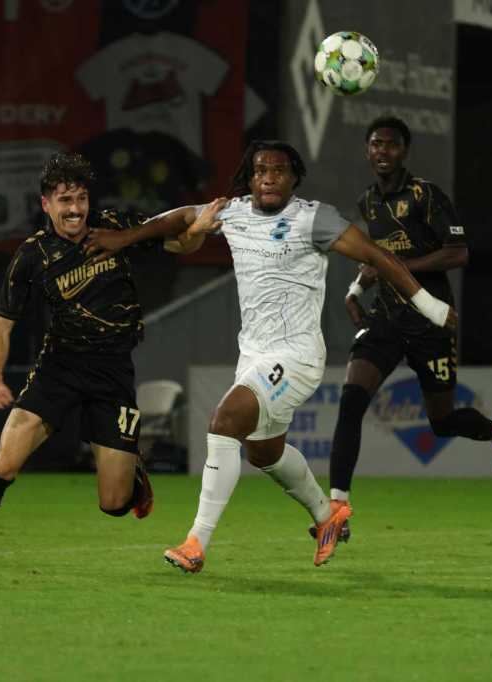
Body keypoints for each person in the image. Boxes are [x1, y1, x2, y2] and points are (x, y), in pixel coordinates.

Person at [83, 139, 457, 573]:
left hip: (297, 355)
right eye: (260, 170)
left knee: (224, 421)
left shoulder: (313, 219)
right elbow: (182, 217)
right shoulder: (233, 213)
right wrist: (125, 238)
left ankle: (196, 542)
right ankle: (327, 516)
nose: (268, 178)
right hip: (254, 355)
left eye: (278, 170)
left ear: (294, 177)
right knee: (264, 453)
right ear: (250, 177)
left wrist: (430, 306)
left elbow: (378, 256)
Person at [0, 151, 220, 570]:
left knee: (114, 504)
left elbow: (180, 242)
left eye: (80, 199)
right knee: (5, 463)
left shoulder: (114, 227)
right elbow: (0, 327)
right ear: (46, 204)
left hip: (112, 373)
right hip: (60, 367)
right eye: (64, 200)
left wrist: (197, 230)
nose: (74, 209)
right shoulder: (32, 255)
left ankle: (132, 474)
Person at [310, 116, 492, 543]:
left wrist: (398, 267)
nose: (382, 151)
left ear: (403, 151)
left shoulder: (426, 195)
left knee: (442, 421)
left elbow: (457, 253)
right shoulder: (368, 201)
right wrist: (354, 290)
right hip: (386, 318)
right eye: (375, 144)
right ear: (367, 150)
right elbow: (375, 257)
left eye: (390, 144)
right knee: (351, 402)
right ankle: (337, 511)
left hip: (430, 321)